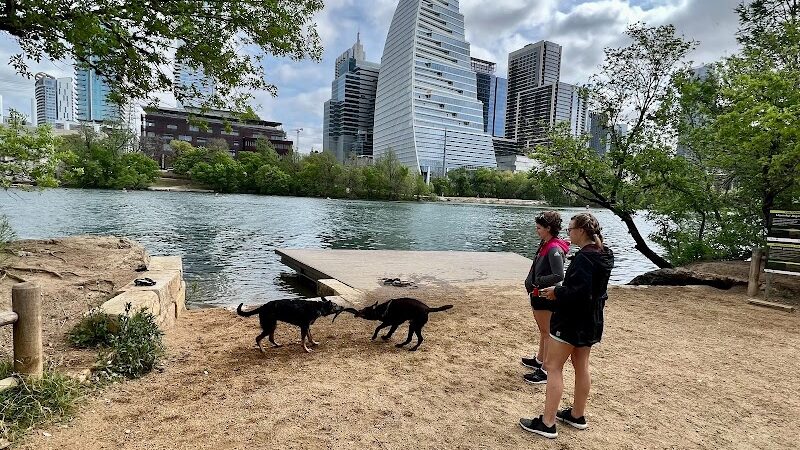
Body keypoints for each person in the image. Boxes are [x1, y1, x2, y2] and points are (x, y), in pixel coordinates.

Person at [519, 212, 614, 439]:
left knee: (553, 367)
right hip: (592, 319)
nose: (568, 233)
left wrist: (556, 292)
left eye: (570, 229)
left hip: (572, 320)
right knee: (582, 365)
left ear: (581, 231)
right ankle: (576, 415)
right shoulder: (604, 253)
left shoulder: (583, 258)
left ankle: (547, 423)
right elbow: (591, 291)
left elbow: (577, 293)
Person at [522, 211, 570, 385]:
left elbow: (558, 275)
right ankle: (540, 360)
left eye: (539, 228)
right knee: (543, 331)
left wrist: (538, 281)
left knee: (547, 332)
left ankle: (545, 370)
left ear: (548, 228)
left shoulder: (554, 248)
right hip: (538, 294)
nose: (537, 231)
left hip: (545, 295)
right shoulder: (546, 244)